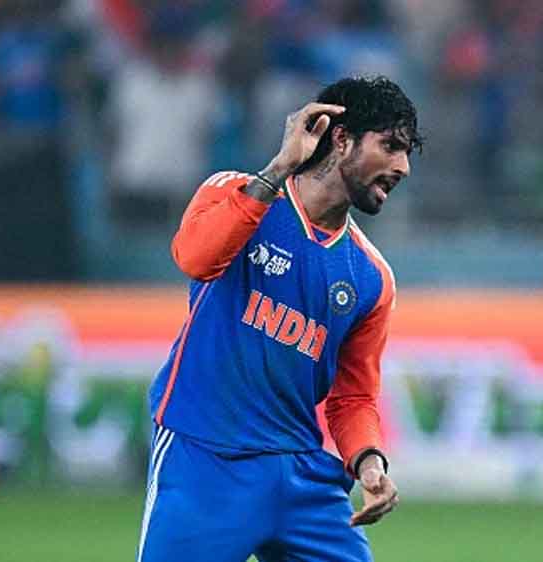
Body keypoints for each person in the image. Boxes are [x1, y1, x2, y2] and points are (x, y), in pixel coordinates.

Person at [136, 75, 422, 562]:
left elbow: (353, 397)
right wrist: (279, 167)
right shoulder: (235, 191)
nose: (403, 167)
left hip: (300, 476)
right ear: (341, 138)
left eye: (407, 152)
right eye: (391, 146)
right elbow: (195, 258)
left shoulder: (372, 278)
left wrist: (369, 461)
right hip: (206, 461)